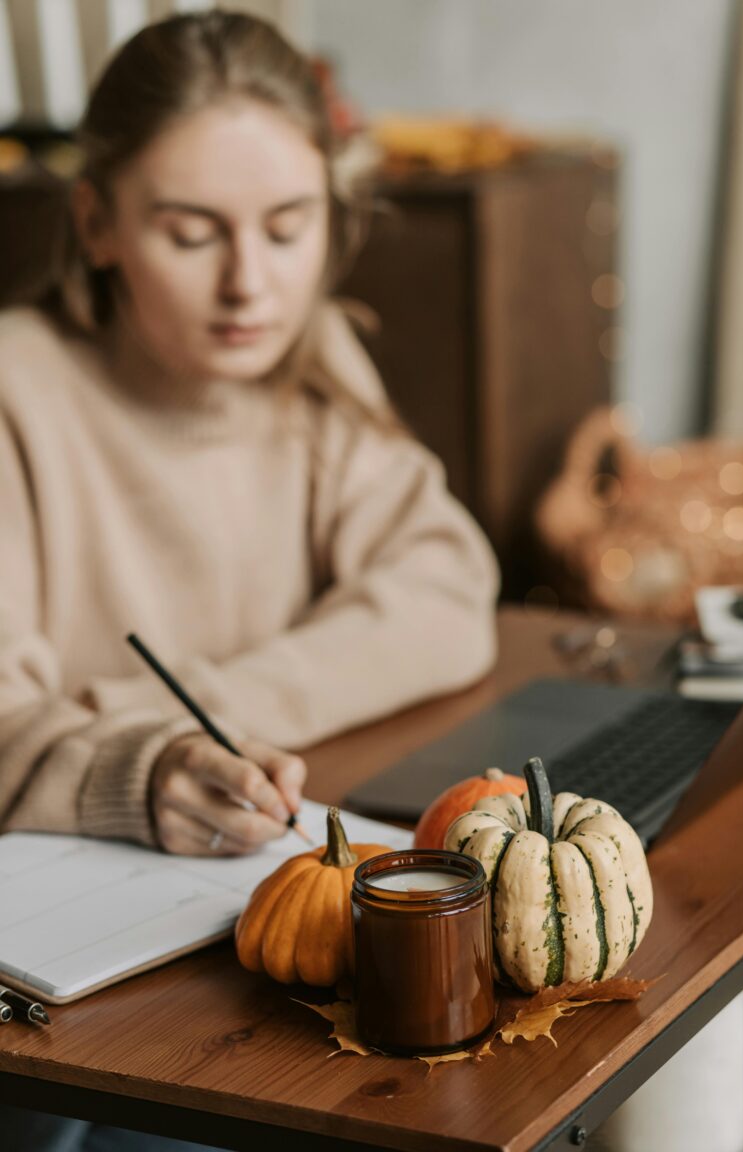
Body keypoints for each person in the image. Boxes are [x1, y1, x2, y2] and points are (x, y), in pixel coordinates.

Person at [0, 10, 498, 1150]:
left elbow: (445, 586)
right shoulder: (17, 393)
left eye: (289, 228)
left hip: (248, 901)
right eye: (191, 233)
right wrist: (138, 768)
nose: (250, 286)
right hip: (89, 997)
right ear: (99, 223)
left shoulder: (308, 353)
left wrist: (192, 716)